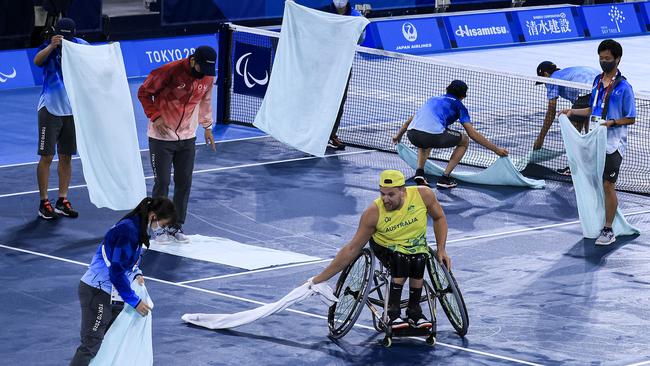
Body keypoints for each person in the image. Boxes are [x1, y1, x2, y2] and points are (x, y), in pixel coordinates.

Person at [312, 170, 450, 328]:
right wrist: (319, 279)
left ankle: (414, 311)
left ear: (403, 191)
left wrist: (441, 249)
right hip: (385, 247)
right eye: (382, 194)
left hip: (415, 247)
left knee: (420, 259)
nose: (385, 199)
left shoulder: (424, 195)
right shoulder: (373, 213)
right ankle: (393, 312)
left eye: (390, 194)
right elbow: (352, 249)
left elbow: (439, 218)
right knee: (402, 258)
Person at [69, 197, 176, 366]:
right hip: (97, 292)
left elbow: (128, 261)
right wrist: (134, 301)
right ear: (153, 216)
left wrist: (136, 273)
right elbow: (116, 271)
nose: (160, 229)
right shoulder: (128, 231)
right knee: (90, 345)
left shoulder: (137, 227)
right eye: (162, 225)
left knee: (109, 339)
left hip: (113, 293)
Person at [559, 39, 636, 246]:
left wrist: (611, 123)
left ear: (617, 59)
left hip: (613, 144)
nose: (604, 62)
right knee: (595, 184)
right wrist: (572, 111)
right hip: (594, 140)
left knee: (608, 185)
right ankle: (601, 219)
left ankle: (609, 229)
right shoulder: (596, 81)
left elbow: (631, 117)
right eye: (601, 58)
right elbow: (593, 110)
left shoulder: (624, 87)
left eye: (608, 59)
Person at [137, 46, 217, 243]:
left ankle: (175, 225)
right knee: (162, 182)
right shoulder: (170, 71)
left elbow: (205, 101)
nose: (204, 74)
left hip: (188, 137)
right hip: (161, 138)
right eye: (202, 68)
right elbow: (143, 92)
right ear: (192, 61)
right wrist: (155, 117)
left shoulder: (207, 77)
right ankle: (155, 225)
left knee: (184, 182)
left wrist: (207, 126)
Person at [392, 80, 508, 188]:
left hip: (412, 135)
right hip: (432, 136)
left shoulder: (432, 99)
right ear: (463, 96)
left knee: (425, 139)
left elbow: (408, 122)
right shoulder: (460, 107)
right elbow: (472, 134)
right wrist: (496, 150)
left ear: (447, 89)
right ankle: (445, 178)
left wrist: (398, 137)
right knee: (464, 140)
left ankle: (420, 172)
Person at [33, 18, 88, 220]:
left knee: (66, 156)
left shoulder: (81, 46)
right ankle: (43, 202)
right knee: (47, 156)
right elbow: (37, 61)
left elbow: (95, 63)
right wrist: (52, 46)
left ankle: (62, 200)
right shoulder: (48, 46)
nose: (66, 40)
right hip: (50, 108)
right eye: (63, 36)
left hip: (72, 111)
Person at [534, 61, 599, 175]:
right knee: (589, 132)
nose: (544, 84)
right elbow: (584, 112)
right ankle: (590, 165)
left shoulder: (552, 79)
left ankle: (575, 167)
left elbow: (551, 112)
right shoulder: (567, 77)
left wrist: (540, 139)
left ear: (545, 75)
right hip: (602, 87)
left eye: (543, 81)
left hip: (589, 89)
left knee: (572, 128)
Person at [324, 0, 364, 150]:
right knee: (320, 98)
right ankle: (311, 131)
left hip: (344, 65)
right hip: (323, 64)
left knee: (339, 101)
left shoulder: (356, 16)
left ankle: (331, 134)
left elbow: (361, 39)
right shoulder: (323, 13)